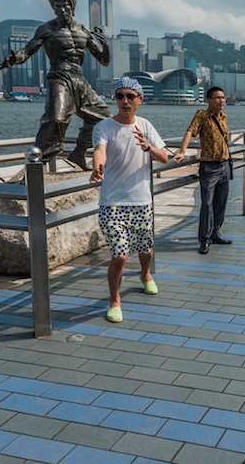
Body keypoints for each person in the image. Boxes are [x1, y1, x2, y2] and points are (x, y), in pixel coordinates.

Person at [0, 0, 112, 170]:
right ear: (53, 7)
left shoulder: (83, 30)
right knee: (55, 121)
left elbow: (104, 61)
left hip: (79, 80)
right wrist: (13, 59)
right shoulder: (47, 29)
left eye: (66, 5)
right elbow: (27, 51)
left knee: (105, 118)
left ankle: (78, 154)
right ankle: (36, 164)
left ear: (73, 5)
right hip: (59, 78)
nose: (62, 9)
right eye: (57, 5)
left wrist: (105, 46)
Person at [90, 77, 168, 323]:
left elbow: (165, 157)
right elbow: (99, 149)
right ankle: (115, 300)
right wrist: (97, 165)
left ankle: (145, 274)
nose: (124, 101)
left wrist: (148, 148)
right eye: (120, 96)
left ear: (139, 100)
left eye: (130, 96)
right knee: (120, 255)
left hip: (141, 201)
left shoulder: (145, 126)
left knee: (145, 249)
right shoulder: (103, 126)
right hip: (112, 202)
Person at [173, 87, 233, 255]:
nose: (221, 100)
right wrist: (182, 151)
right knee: (207, 204)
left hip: (225, 165)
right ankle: (204, 240)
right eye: (217, 98)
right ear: (208, 100)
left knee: (221, 202)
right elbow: (190, 132)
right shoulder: (201, 115)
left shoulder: (223, 117)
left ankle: (215, 233)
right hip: (209, 167)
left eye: (223, 97)